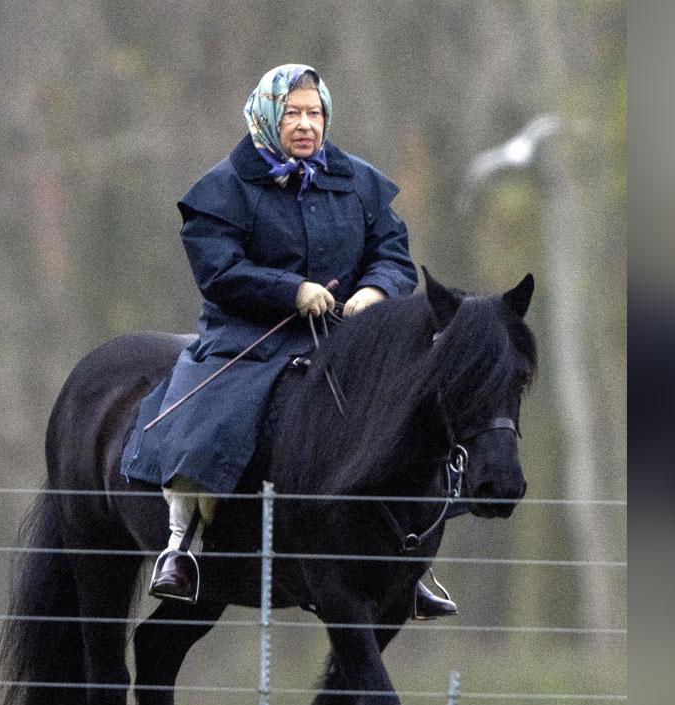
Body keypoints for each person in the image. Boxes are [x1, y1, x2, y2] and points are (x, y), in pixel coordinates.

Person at [120, 63, 456, 618]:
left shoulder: (358, 181)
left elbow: (393, 253)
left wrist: (375, 290)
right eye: (293, 113)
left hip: (343, 335)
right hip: (248, 335)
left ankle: (407, 562)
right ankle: (179, 547)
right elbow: (218, 269)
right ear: (269, 116)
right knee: (211, 419)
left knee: (400, 418)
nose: (306, 125)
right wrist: (290, 290)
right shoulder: (224, 187)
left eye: (315, 113)